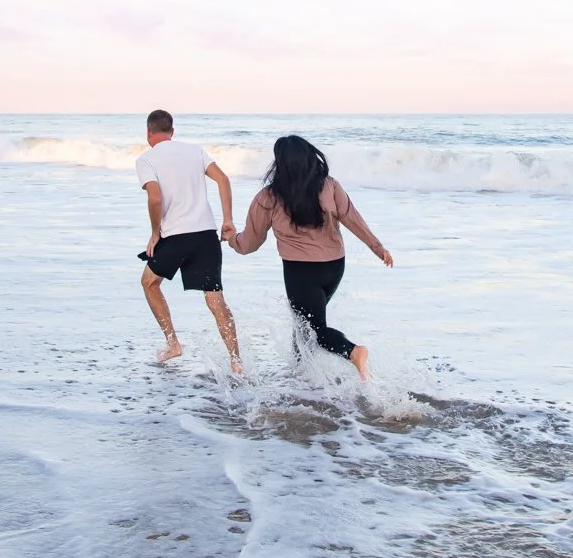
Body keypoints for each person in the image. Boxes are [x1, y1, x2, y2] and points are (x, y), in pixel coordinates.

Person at [226, 135, 392, 381]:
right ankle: (303, 377)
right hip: (334, 267)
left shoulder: (268, 197)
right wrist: (379, 249)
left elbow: (250, 243)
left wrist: (232, 239)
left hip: (300, 271)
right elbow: (353, 220)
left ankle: (353, 352)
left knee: (313, 329)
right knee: (305, 323)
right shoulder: (330, 186)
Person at [135, 110, 242, 374]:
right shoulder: (195, 151)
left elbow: (155, 199)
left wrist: (154, 232)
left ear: (149, 133)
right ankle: (236, 362)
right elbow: (223, 179)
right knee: (216, 301)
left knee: (149, 282)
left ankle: (173, 343)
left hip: (176, 236)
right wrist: (227, 220)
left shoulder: (146, 160)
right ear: (172, 131)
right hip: (206, 235)